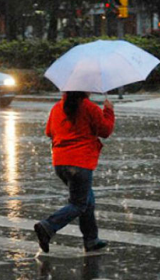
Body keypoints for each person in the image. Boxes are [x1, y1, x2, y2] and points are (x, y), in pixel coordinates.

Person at [34, 91, 115, 253]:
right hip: (80, 162)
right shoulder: (89, 108)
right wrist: (108, 111)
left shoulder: (57, 107)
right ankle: (49, 226)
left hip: (60, 162)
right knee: (78, 204)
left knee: (87, 200)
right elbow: (105, 131)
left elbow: (49, 132)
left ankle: (91, 239)